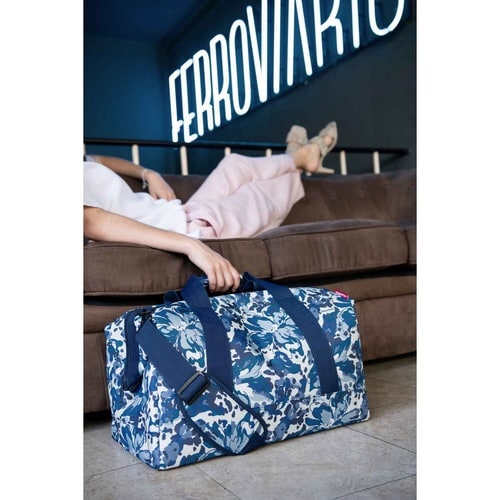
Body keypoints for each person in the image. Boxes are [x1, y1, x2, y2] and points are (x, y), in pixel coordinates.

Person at [84, 122, 337, 293]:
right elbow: (90, 220)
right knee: (260, 196)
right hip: (184, 233)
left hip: (178, 213)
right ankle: (301, 157)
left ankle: (298, 157)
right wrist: (191, 245)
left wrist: (149, 174)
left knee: (234, 165)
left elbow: (100, 159)